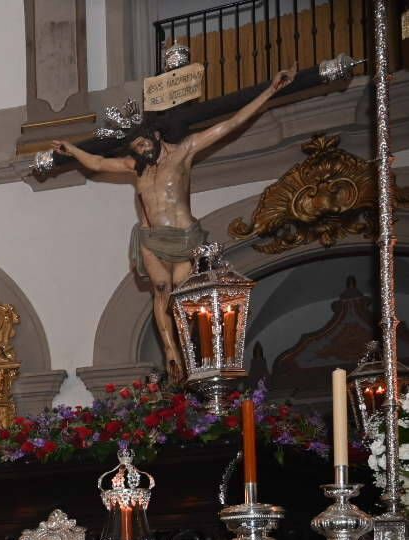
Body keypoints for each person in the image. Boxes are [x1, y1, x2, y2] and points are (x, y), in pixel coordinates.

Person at [48, 67, 295, 382]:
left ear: (155, 135)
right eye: (135, 148)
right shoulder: (135, 168)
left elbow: (231, 123)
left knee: (181, 294)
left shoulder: (184, 152)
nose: (141, 151)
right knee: (161, 290)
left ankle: (193, 353)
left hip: (184, 238)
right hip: (151, 239)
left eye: (143, 144)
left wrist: (269, 91)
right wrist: (72, 150)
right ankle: (170, 352)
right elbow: (97, 163)